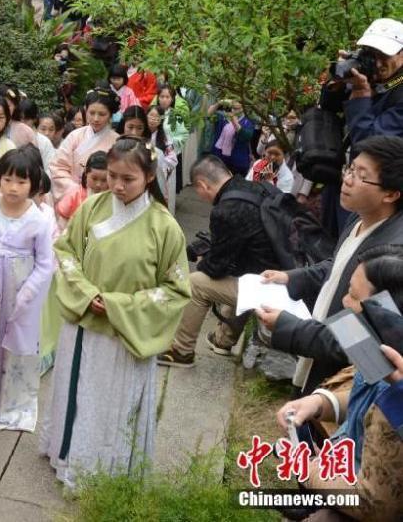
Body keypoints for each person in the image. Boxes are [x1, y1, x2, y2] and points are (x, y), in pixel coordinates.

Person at [41, 137, 191, 486]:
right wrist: (87, 293)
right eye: (111, 176)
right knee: (74, 392)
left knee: (111, 405)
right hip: (81, 322)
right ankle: (67, 455)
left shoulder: (164, 227)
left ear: (149, 176)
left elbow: (176, 290)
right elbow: (65, 253)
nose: (118, 186)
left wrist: (118, 305)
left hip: (123, 333)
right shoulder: (92, 208)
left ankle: (102, 472)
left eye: (129, 179)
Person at [255, 135, 403, 394]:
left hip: (339, 385)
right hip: (317, 353)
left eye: (361, 176)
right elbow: (338, 265)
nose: (347, 180)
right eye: (350, 168)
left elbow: (366, 341)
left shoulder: (391, 258)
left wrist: (290, 328)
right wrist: (291, 278)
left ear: (390, 194)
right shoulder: (359, 219)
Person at [270, 244, 403, 522]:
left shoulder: (398, 394)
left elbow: (372, 505)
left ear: (387, 310)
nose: (344, 302)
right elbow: (364, 390)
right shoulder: (383, 346)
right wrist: (320, 403)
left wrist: (306, 466)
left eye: (354, 296)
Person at [157, 155, 280, 368]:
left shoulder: (226, 209)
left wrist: (203, 257)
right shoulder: (259, 188)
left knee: (196, 283)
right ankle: (223, 341)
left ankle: (181, 351)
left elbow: (215, 269)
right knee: (243, 273)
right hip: (289, 275)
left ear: (202, 185)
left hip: (274, 289)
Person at [0, 146, 56, 432]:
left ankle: (10, 403)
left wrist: (27, 295)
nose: (13, 187)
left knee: (12, 346)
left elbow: (46, 264)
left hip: (20, 292)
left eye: (22, 182)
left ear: (33, 184)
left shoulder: (40, 219)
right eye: (7, 179)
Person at [50, 89, 119, 204]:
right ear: (85, 111)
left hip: (104, 198)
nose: (96, 119)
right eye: (92, 113)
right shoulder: (75, 136)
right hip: (74, 195)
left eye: (102, 114)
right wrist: (76, 190)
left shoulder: (117, 142)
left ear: (110, 115)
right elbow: (57, 167)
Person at [342, 18, 403, 143]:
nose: (378, 63)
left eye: (384, 55)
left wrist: (360, 95)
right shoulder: (368, 72)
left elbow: (368, 143)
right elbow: (329, 106)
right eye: (371, 53)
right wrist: (338, 81)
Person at [55, 150, 108, 229]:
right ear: (86, 173)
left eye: (104, 180)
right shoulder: (75, 195)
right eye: (94, 178)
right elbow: (62, 222)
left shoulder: (112, 197)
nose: (98, 184)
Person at [208, 99, 254, 175]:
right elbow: (208, 114)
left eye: (239, 102)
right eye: (234, 101)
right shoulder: (224, 116)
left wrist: (234, 120)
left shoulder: (248, 120)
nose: (235, 103)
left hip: (237, 162)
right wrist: (219, 103)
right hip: (219, 158)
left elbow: (246, 136)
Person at [18, 99, 56, 171]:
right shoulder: (8, 137)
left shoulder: (44, 142)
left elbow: (50, 170)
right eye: (19, 119)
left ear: (34, 119)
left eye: (26, 120)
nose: (22, 123)